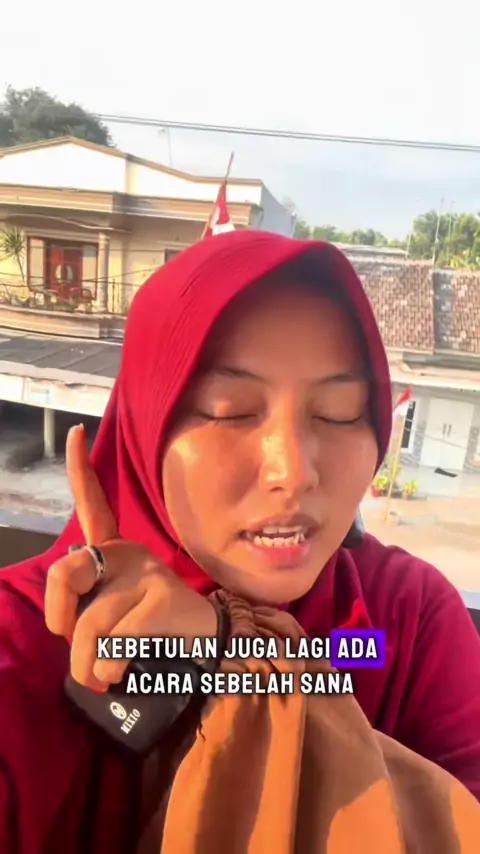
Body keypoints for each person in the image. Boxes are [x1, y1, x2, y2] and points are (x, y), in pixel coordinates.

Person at [0, 229, 479, 854]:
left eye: (339, 412)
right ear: (145, 422)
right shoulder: (28, 636)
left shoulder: (402, 623)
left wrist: (235, 657)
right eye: (229, 410)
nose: (294, 472)